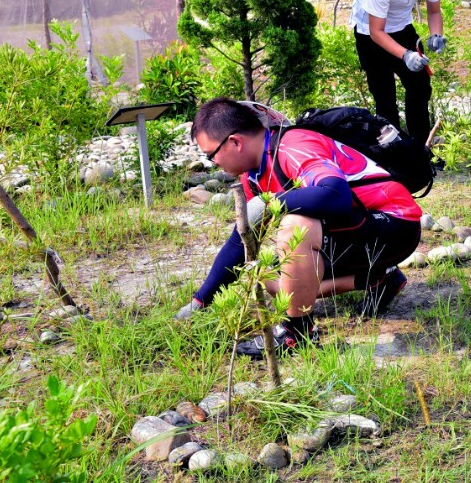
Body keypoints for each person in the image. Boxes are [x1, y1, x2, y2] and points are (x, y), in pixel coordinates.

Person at [177, 98, 423, 357]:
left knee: (296, 224)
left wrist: (269, 202)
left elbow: (336, 195)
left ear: (235, 142)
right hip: (354, 234)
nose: (213, 163)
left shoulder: (293, 145)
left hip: (394, 226)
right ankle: (379, 278)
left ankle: (296, 333)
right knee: (266, 276)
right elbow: (241, 241)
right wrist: (199, 302)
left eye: (211, 155)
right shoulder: (253, 176)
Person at [351, 0, 446, 140]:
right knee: (384, 94)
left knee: (420, 86)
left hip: (402, 27)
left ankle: (421, 145)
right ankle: (393, 149)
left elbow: (434, 11)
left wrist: (436, 35)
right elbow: (376, 32)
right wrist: (406, 55)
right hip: (369, 34)